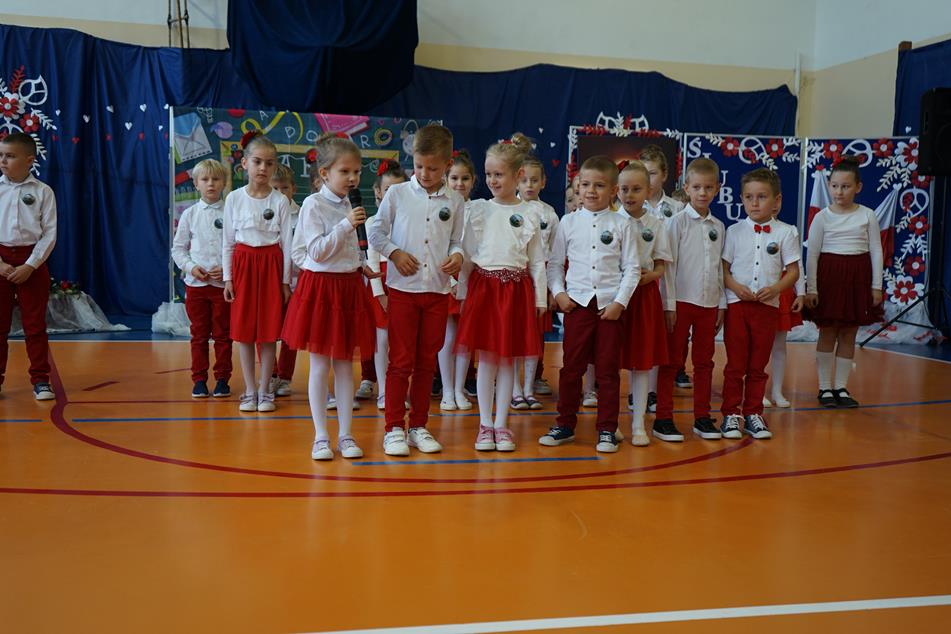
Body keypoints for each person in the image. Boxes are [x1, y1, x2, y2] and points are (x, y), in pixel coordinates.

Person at [368, 124, 465, 456]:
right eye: (419, 166)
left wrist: (457, 256)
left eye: (433, 168)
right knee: (400, 361)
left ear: (447, 164)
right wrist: (395, 253)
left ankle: (419, 426)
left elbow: (457, 240)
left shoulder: (455, 200)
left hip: (436, 293)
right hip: (403, 291)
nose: (424, 173)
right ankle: (394, 428)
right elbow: (375, 233)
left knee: (427, 362)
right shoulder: (397, 194)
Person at [281, 133, 379, 460]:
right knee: (321, 365)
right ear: (324, 173)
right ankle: (321, 436)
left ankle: (346, 435)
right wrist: (346, 226)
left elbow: (347, 249)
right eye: (345, 171)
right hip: (321, 289)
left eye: (357, 172)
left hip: (348, 286)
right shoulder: (313, 204)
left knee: (345, 365)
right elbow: (318, 252)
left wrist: (361, 264)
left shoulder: (350, 201)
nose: (353, 178)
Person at [540, 155, 639, 453]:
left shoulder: (623, 224)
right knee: (571, 368)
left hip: (609, 308)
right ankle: (565, 424)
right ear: (577, 187)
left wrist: (620, 302)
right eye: (585, 185)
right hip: (577, 306)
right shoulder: (568, 222)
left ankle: (607, 429)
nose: (591, 191)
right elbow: (555, 264)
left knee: (608, 371)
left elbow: (632, 268)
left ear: (614, 191)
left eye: (599, 185)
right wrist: (559, 293)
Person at [455, 134, 547, 451]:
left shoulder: (531, 213)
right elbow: (467, 256)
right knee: (487, 360)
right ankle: (485, 425)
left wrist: (540, 298)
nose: (493, 180)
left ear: (517, 175)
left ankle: (501, 425)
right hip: (484, 290)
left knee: (508, 362)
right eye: (489, 174)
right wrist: (462, 293)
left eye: (499, 174)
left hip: (516, 291)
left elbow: (537, 261)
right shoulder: (478, 210)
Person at [720, 169, 800, 440]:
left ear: (776, 201)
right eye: (749, 197)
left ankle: (754, 412)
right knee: (735, 364)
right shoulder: (733, 231)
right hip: (737, 306)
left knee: (758, 364)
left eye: (762, 197)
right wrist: (735, 287)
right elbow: (724, 270)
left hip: (767, 308)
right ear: (742, 199)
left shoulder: (786, 232)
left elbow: (793, 271)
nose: (754, 203)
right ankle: (731, 414)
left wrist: (775, 289)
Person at [655, 157, 726, 442]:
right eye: (696, 187)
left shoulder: (718, 226)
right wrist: (669, 304)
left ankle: (702, 417)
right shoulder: (676, 223)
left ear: (717, 189)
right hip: (681, 302)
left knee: (705, 362)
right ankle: (663, 418)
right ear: (686, 188)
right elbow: (668, 267)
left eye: (708, 187)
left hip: (708, 304)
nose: (702, 193)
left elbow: (719, 269)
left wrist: (721, 304)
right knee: (672, 362)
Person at [804, 156, 883, 408]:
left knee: (849, 332)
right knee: (828, 331)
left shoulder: (867, 215)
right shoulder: (822, 217)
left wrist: (876, 286)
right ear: (829, 186)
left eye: (846, 186)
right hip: (830, 278)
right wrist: (812, 288)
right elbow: (812, 254)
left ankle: (841, 387)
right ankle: (824, 387)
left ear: (858, 187)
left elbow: (876, 251)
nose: (839, 191)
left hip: (857, 278)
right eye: (835, 186)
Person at [222, 132, 293, 413]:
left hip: (271, 266)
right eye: (258, 162)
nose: (263, 168)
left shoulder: (280, 201)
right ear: (245, 163)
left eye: (269, 163)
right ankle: (250, 391)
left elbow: (287, 244)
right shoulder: (234, 199)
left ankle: (265, 391)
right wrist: (228, 278)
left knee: (268, 332)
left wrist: (285, 281)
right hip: (243, 266)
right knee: (244, 333)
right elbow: (228, 242)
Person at [616, 161, 671, 447]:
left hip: (645, 297)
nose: (629, 195)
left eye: (636, 189)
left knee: (641, 363)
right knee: (611, 362)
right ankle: (611, 423)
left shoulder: (656, 224)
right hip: (615, 297)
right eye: (624, 189)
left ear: (649, 191)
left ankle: (638, 423)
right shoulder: (610, 221)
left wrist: (651, 276)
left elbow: (662, 265)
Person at [0, 132, 56, 400]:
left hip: (32, 262)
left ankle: (41, 380)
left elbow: (49, 234)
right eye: (1, 155)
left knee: (35, 327)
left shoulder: (43, 191)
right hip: (1, 262)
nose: (3, 161)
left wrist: (30, 265)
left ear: (29, 160)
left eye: (10, 156)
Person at [171, 158, 232, 399]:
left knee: (223, 335)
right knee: (198, 335)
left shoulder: (231, 212)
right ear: (196, 184)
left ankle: (223, 379)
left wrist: (227, 270)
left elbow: (237, 247)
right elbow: (178, 249)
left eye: (216, 179)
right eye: (205, 180)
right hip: (196, 286)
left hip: (222, 287)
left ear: (224, 183)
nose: (211, 184)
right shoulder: (190, 214)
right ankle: (199, 380)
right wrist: (191, 267)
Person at [358, 159, 409, 410]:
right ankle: (383, 392)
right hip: (381, 284)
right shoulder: (371, 223)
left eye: (399, 190)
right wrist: (379, 293)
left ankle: (399, 391)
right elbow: (372, 260)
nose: (393, 196)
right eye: (388, 190)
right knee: (382, 339)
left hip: (404, 282)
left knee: (402, 341)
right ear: (378, 192)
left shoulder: (408, 222)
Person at [511, 156, 559, 409]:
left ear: (543, 182)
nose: (529, 185)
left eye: (534, 180)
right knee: (514, 334)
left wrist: (551, 290)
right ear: (516, 181)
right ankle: (514, 389)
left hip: (539, 281)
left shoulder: (549, 214)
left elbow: (555, 254)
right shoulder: (510, 209)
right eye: (524, 180)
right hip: (514, 279)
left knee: (534, 336)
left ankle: (530, 388)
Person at [437, 149, 478, 411]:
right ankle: (447, 389)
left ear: (473, 181)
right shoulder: (442, 206)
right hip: (446, 275)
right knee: (448, 335)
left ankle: (460, 388)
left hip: (472, 278)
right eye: (454, 178)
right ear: (446, 179)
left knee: (465, 336)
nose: (459, 184)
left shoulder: (479, 209)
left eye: (465, 178)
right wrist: (450, 281)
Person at [764, 207, 805, 409]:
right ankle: (757, 391)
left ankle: (777, 391)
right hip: (761, 286)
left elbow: (797, 265)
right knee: (759, 345)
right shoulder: (742, 230)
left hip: (783, 286)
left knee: (779, 344)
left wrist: (801, 292)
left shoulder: (789, 230)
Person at [268, 163, 300, 398]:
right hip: (268, 282)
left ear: (293, 189)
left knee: (291, 332)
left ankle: (285, 377)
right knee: (266, 330)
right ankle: (270, 375)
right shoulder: (264, 212)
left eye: (284, 188)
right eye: (275, 188)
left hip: (296, 284)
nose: (280, 193)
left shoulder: (303, 213)